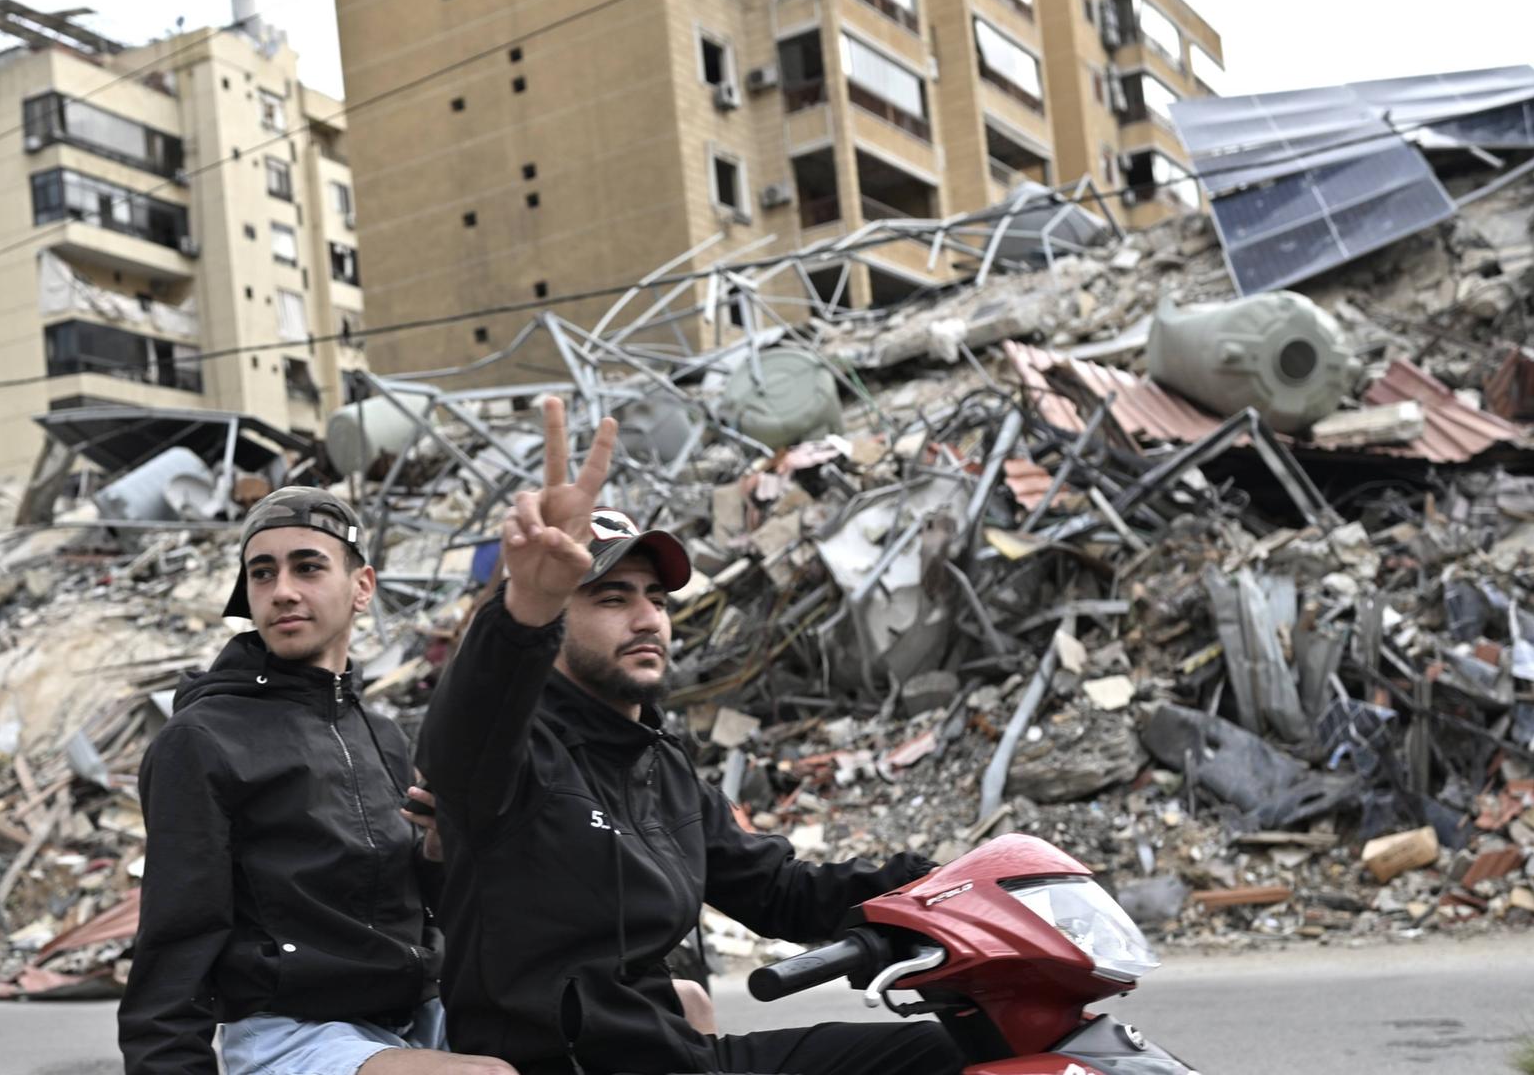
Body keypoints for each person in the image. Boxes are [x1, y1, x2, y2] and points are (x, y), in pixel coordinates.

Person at [419, 399, 965, 1075]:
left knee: (954, 1052)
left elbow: (780, 890)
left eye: (658, 598)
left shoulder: (661, 770)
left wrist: (940, 886)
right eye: (612, 598)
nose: (647, 618)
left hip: (678, 1058)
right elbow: (461, 735)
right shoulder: (511, 760)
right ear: (555, 622)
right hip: (575, 1066)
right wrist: (525, 608)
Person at [119, 487, 515, 1075]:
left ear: (363, 587)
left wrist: (436, 854)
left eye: (307, 567)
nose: (282, 590)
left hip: (409, 1016)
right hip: (293, 1032)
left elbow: (406, 902)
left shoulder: (381, 735)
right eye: (262, 573)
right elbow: (176, 940)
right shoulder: (202, 740)